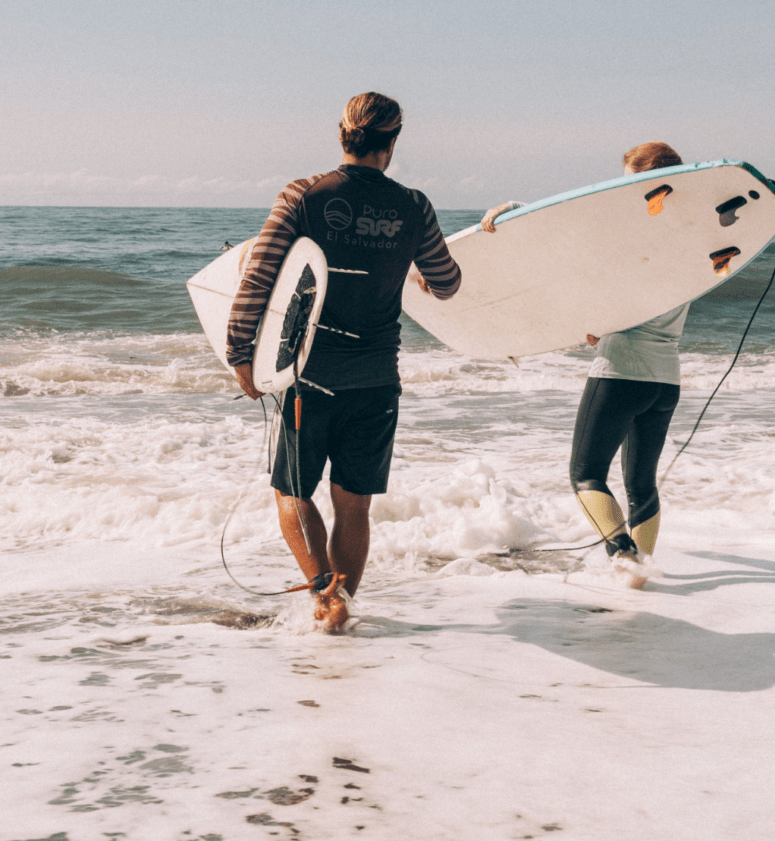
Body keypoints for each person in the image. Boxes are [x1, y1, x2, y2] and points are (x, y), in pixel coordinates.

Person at [227, 92, 461, 630]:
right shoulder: (414, 205)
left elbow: (258, 279)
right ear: (394, 142)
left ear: (342, 134)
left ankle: (322, 596)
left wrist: (241, 355)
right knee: (354, 505)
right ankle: (342, 607)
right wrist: (419, 272)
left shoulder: (303, 195)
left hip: (309, 377)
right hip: (378, 380)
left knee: (292, 491)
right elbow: (447, 283)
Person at [482, 142, 688, 585]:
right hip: (665, 379)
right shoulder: (688, 240)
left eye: (630, 180)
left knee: (585, 473)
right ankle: (641, 573)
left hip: (620, 372)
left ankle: (623, 555)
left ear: (646, 181)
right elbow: (637, 300)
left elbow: (567, 236)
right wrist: (603, 322)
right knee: (641, 485)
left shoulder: (632, 232)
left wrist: (516, 209)